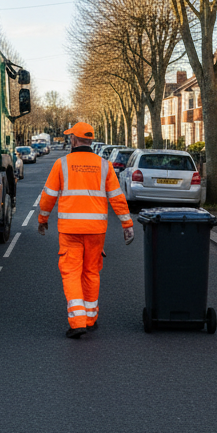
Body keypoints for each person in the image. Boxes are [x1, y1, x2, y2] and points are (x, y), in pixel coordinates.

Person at [37, 122, 134, 338]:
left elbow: (49, 196)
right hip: (96, 229)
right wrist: (127, 224)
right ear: (90, 141)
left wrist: (43, 220)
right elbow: (117, 197)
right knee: (91, 272)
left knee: (71, 272)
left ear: (74, 140)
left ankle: (78, 322)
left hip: (70, 229)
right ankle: (90, 318)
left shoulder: (62, 164)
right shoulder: (105, 165)